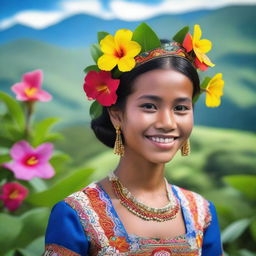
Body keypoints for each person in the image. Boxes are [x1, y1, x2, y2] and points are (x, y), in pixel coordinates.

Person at [43, 23, 224, 255]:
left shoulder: (203, 213)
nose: (167, 123)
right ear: (117, 115)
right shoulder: (76, 215)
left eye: (180, 107)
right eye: (149, 106)